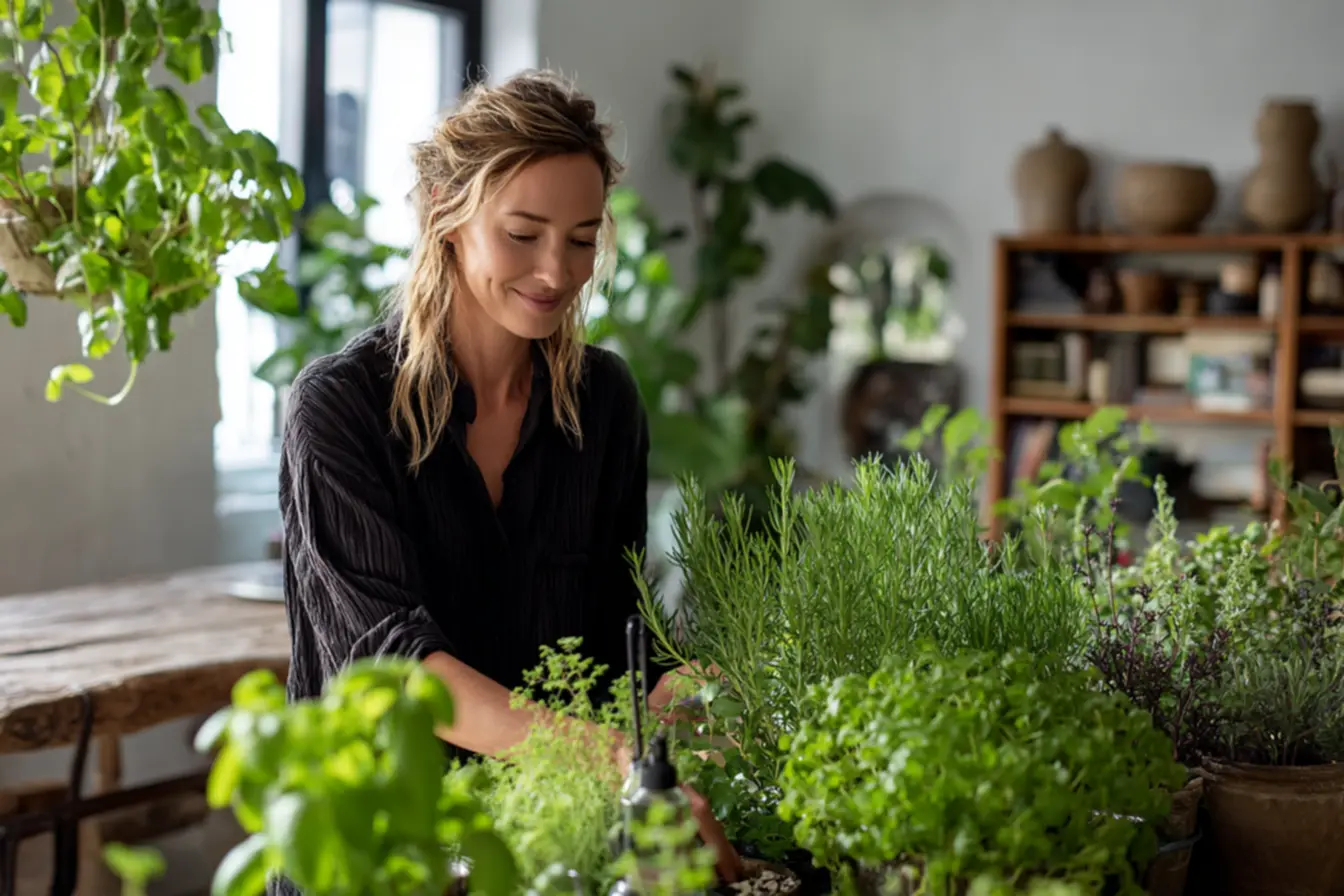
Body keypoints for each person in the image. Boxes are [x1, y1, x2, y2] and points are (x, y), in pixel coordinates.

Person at [275, 69, 741, 887]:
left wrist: (679, 689)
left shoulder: (604, 404)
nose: (557, 272)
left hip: (541, 845)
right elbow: (396, 667)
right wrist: (617, 758)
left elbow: (614, 628)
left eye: (583, 238)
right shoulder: (339, 409)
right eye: (523, 233)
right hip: (381, 854)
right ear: (443, 213)